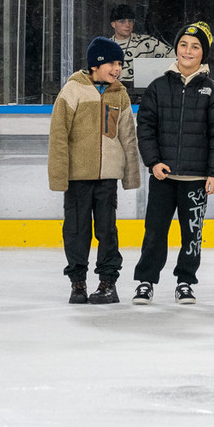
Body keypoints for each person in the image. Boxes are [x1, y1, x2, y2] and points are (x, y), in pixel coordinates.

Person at [131, 22, 214, 305]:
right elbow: (146, 128)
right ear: (176, 48)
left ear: (203, 54)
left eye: (195, 47)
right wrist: (153, 162)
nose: (188, 50)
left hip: (196, 179)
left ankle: (185, 281)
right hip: (163, 177)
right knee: (155, 232)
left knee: (192, 235)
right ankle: (146, 281)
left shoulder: (212, 91)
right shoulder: (158, 87)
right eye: (184, 44)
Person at [48, 37, 141, 304]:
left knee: (107, 231)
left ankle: (107, 283)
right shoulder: (72, 90)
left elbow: (128, 136)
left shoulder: (119, 94)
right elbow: (58, 136)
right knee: (76, 231)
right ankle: (78, 282)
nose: (117, 69)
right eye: (111, 63)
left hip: (107, 177)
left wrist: (131, 176)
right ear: (95, 65)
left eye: (120, 63)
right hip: (77, 177)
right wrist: (59, 176)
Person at [108, 4, 174, 86]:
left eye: (130, 21)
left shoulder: (146, 42)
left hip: (142, 91)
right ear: (113, 24)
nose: (127, 25)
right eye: (122, 21)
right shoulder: (104, 47)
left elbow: (175, 55)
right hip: (113, 91)